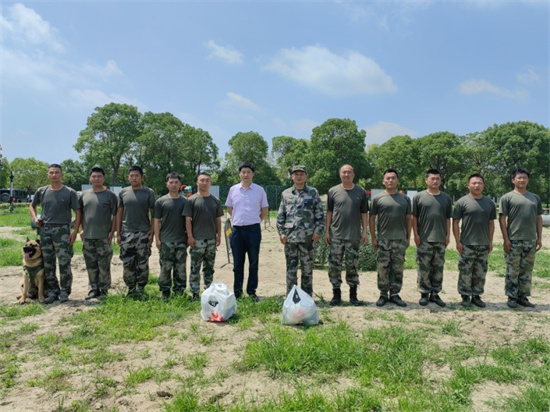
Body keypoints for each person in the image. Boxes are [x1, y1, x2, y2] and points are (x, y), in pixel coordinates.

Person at [29, 164, 81, 303]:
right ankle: (53, 291)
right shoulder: (42, 191)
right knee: (48, 263)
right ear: (48, 175)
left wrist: (74, 232)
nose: (54, 175)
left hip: (63, 230)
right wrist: (35, 218)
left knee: (64, 262)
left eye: (57, 172)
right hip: (45, 231)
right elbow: (32, 205)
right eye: (51, 173)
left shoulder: (69, 192)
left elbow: (78, 212)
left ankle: (65, 291)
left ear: (62, 175)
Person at [276, 165, 324, 297]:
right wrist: (281, 233)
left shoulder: (313, 192)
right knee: (291, 270)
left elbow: (319, 214)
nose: (298, 176)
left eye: (301, 174)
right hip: (290, 238)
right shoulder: (286, 194)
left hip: (308, 238)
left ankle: (307, 297)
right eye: (295, 174)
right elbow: (281, 215)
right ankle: (291, 296)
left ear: (306, 176)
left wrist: (317, 231)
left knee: (307, 270)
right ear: (292, 176)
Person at [499, 168, 543, 308]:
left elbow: (539, 218)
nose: (522, 180)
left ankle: (523, 296)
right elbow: (502, 219)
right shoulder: (507, 197)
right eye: (519, 178)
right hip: (514, 239)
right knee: (513, 269)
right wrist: (506, 239)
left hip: (530, 239)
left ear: (528, 180)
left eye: (524, 178)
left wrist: (539, 238)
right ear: (513, 180)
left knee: (526, 270)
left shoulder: (535, 198)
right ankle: (511, 297)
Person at [325, 164, 369, 306]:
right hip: (336, 235)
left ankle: (353, 295)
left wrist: (364, 231)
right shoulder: (333, 191)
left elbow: (364, 213)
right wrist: (327, 231)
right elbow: (329, 212)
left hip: (353, 235)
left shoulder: (360, 191)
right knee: (334, 266)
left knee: (353, 266)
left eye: (349, 172)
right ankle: (336, 295)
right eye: (344, 172)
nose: (346, 174)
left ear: (353, 175)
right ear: (340, 174)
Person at [225, 162, 269, 301]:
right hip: (237, 230)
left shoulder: (259, 190)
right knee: (237, 263)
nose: (246, 175)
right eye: (243, 172)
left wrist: (255, 220)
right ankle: (237, 292)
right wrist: (239, 219)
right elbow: (230, 208)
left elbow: (265, 210)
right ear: (239, 174)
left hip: (253, 230)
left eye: (248, 172)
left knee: (253, 262)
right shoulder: (233, 190)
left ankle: (251, 291)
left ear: (253, 174)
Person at [452, 173, 496, 308]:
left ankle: (476, 295)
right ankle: (465, 296)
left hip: (483, 243)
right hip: (467, 243)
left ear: (483, 185)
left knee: (480, 271)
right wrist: (458, 241)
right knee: (465, 270)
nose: (477, 185)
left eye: (479, 183)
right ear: (468, 185)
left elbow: (491, 224)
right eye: (474, 183)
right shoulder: (462, 202)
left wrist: (490, 241)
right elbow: (455, 222)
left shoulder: (489, 203)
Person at [369, 169, 412, 308]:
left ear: (398, 181)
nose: (390, 180)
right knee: (382, 267)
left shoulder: (405, 199)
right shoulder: (377, 198)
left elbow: (408, 219)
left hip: (399, 239)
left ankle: (394, 294)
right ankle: (383, 294)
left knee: (397, 268)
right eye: (387, 178)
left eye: (393, 178)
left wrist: (408, 237)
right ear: (383, 181)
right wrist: (374, 238)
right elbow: (372, 218)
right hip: (383, 239)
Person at [412, 169, 452, 307]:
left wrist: (448, 235)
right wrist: (416, 235)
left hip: (440, 239)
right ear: (426, 180)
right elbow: (414, 217)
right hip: (424, 239)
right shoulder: (419, 197)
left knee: (438, 268)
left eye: (437, 179)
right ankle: (424, 293)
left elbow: (448, 218)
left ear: (440, 181)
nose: (435, 181)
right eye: (432, 179)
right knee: (423, 267)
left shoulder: (446, 198)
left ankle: (435, 294)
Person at [79, 167, 118, 300]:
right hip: (88, 237)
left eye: (99, 176)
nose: (96, 179)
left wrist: (112, 233)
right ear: (90, 178)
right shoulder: (84, 195)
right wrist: (81, 229)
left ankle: (104, 289)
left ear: (103, 178)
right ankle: (93, 289)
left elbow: (116, 215)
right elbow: (81, 214)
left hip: (103, 237)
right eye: (94, 176)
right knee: (90, 265)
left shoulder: (110, 195)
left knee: (104, 265)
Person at [116, 166, 156, 297]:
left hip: (143, 233)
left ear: (142, 177)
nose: (134, 178)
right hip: (127, 233)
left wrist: (152, 232)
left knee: (142, 262)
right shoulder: (123, 192)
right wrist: (118, 233)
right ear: (128, 177)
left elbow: (153, 214)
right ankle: (131, 289)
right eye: (131, 175)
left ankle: (141, 288)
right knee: (128, 263)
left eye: (136, 175)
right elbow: (119, 213)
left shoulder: (148, 192)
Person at [183, 172, 224, 300]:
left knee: (209, 267)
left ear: (210, 183)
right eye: (202, 180)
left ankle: (209, 291)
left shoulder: (215, 200)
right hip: (197, 240)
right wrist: (190, 236)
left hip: (211, 240)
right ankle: (194, 293)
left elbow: (218, 220)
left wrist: (219, 236)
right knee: (195, 267)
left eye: (207, 180)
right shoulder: (191, 200)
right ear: (197, 182)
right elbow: (187, 220)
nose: (204, 183)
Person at [153, 172, 188, 300]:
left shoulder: (185, 201)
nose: (174, 185)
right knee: (165, 268)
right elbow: (156, 221)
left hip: (181, 241)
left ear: (180, 184)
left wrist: (189, 237)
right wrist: (157, 239)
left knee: (180, 268)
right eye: (171, 182)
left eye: (176, 182)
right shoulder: (160, 201)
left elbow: (189, 221)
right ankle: (165, 292)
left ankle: (179, 292)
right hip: (166, 241)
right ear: (167, 184)